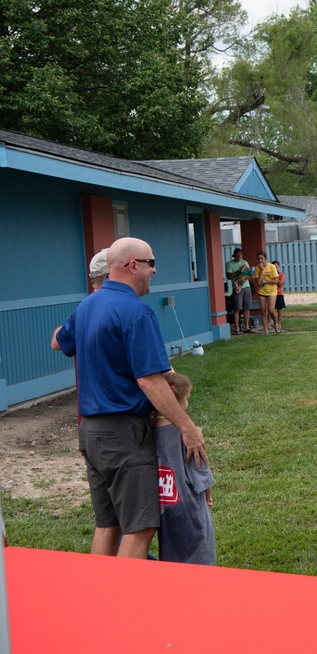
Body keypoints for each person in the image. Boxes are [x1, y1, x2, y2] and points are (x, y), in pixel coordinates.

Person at [51, 237, 207, 559]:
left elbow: (58, 341)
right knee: (139, 528)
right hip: (124, 435)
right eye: (151, 263)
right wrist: (188, 428)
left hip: (90, 433)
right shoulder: (136, 312)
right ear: (133, 265)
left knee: (107, 525)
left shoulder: (87, 306)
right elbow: (151, 382)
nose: (155, 270)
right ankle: (120, 606)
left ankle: (97, 600)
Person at [155, 371, 216, 565]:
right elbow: (202, 474)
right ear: (179, 402)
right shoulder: (188, 436)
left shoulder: (146, 431)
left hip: (164, 509)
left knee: (171, 560)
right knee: (200, 556)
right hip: (191, 511)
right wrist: (209, 497)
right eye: (188, 398)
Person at [225, 248, 254, 334]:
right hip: (237, 287)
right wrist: (239, 271)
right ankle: (237, 328)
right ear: (234, 255)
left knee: (247, 307)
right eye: (238, 254)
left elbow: (251, 275)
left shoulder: (245, 262)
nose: (239, 256)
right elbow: (229, 276)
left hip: (246, 286)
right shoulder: (229, 264)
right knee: (237, 308)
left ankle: (247, 327)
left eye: (241, 254)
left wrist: (245, 277)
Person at [254, 250, 280, 334]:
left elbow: (276, 280)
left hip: (272, 290)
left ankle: (275, 323)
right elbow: (258, 282)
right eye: (258, 259)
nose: (260, 260)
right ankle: (266, 330)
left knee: (271, 310)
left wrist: (265, 282)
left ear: (265, 258)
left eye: (262, 258)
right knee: (263, 310)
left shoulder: (272, 267)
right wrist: (262, 271)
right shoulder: (257, 268)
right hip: (262, 291)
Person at [273, 260, 287, 333]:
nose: (275, 268)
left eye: (276, 267)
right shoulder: (271, 275)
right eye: (274, 267)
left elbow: (280, 284)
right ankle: (271, 323)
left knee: (279, 309)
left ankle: (279, 323)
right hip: (272, 293)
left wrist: (276, 277)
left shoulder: (281, 275)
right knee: (271, 310)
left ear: (279, 267)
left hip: (279, 294)